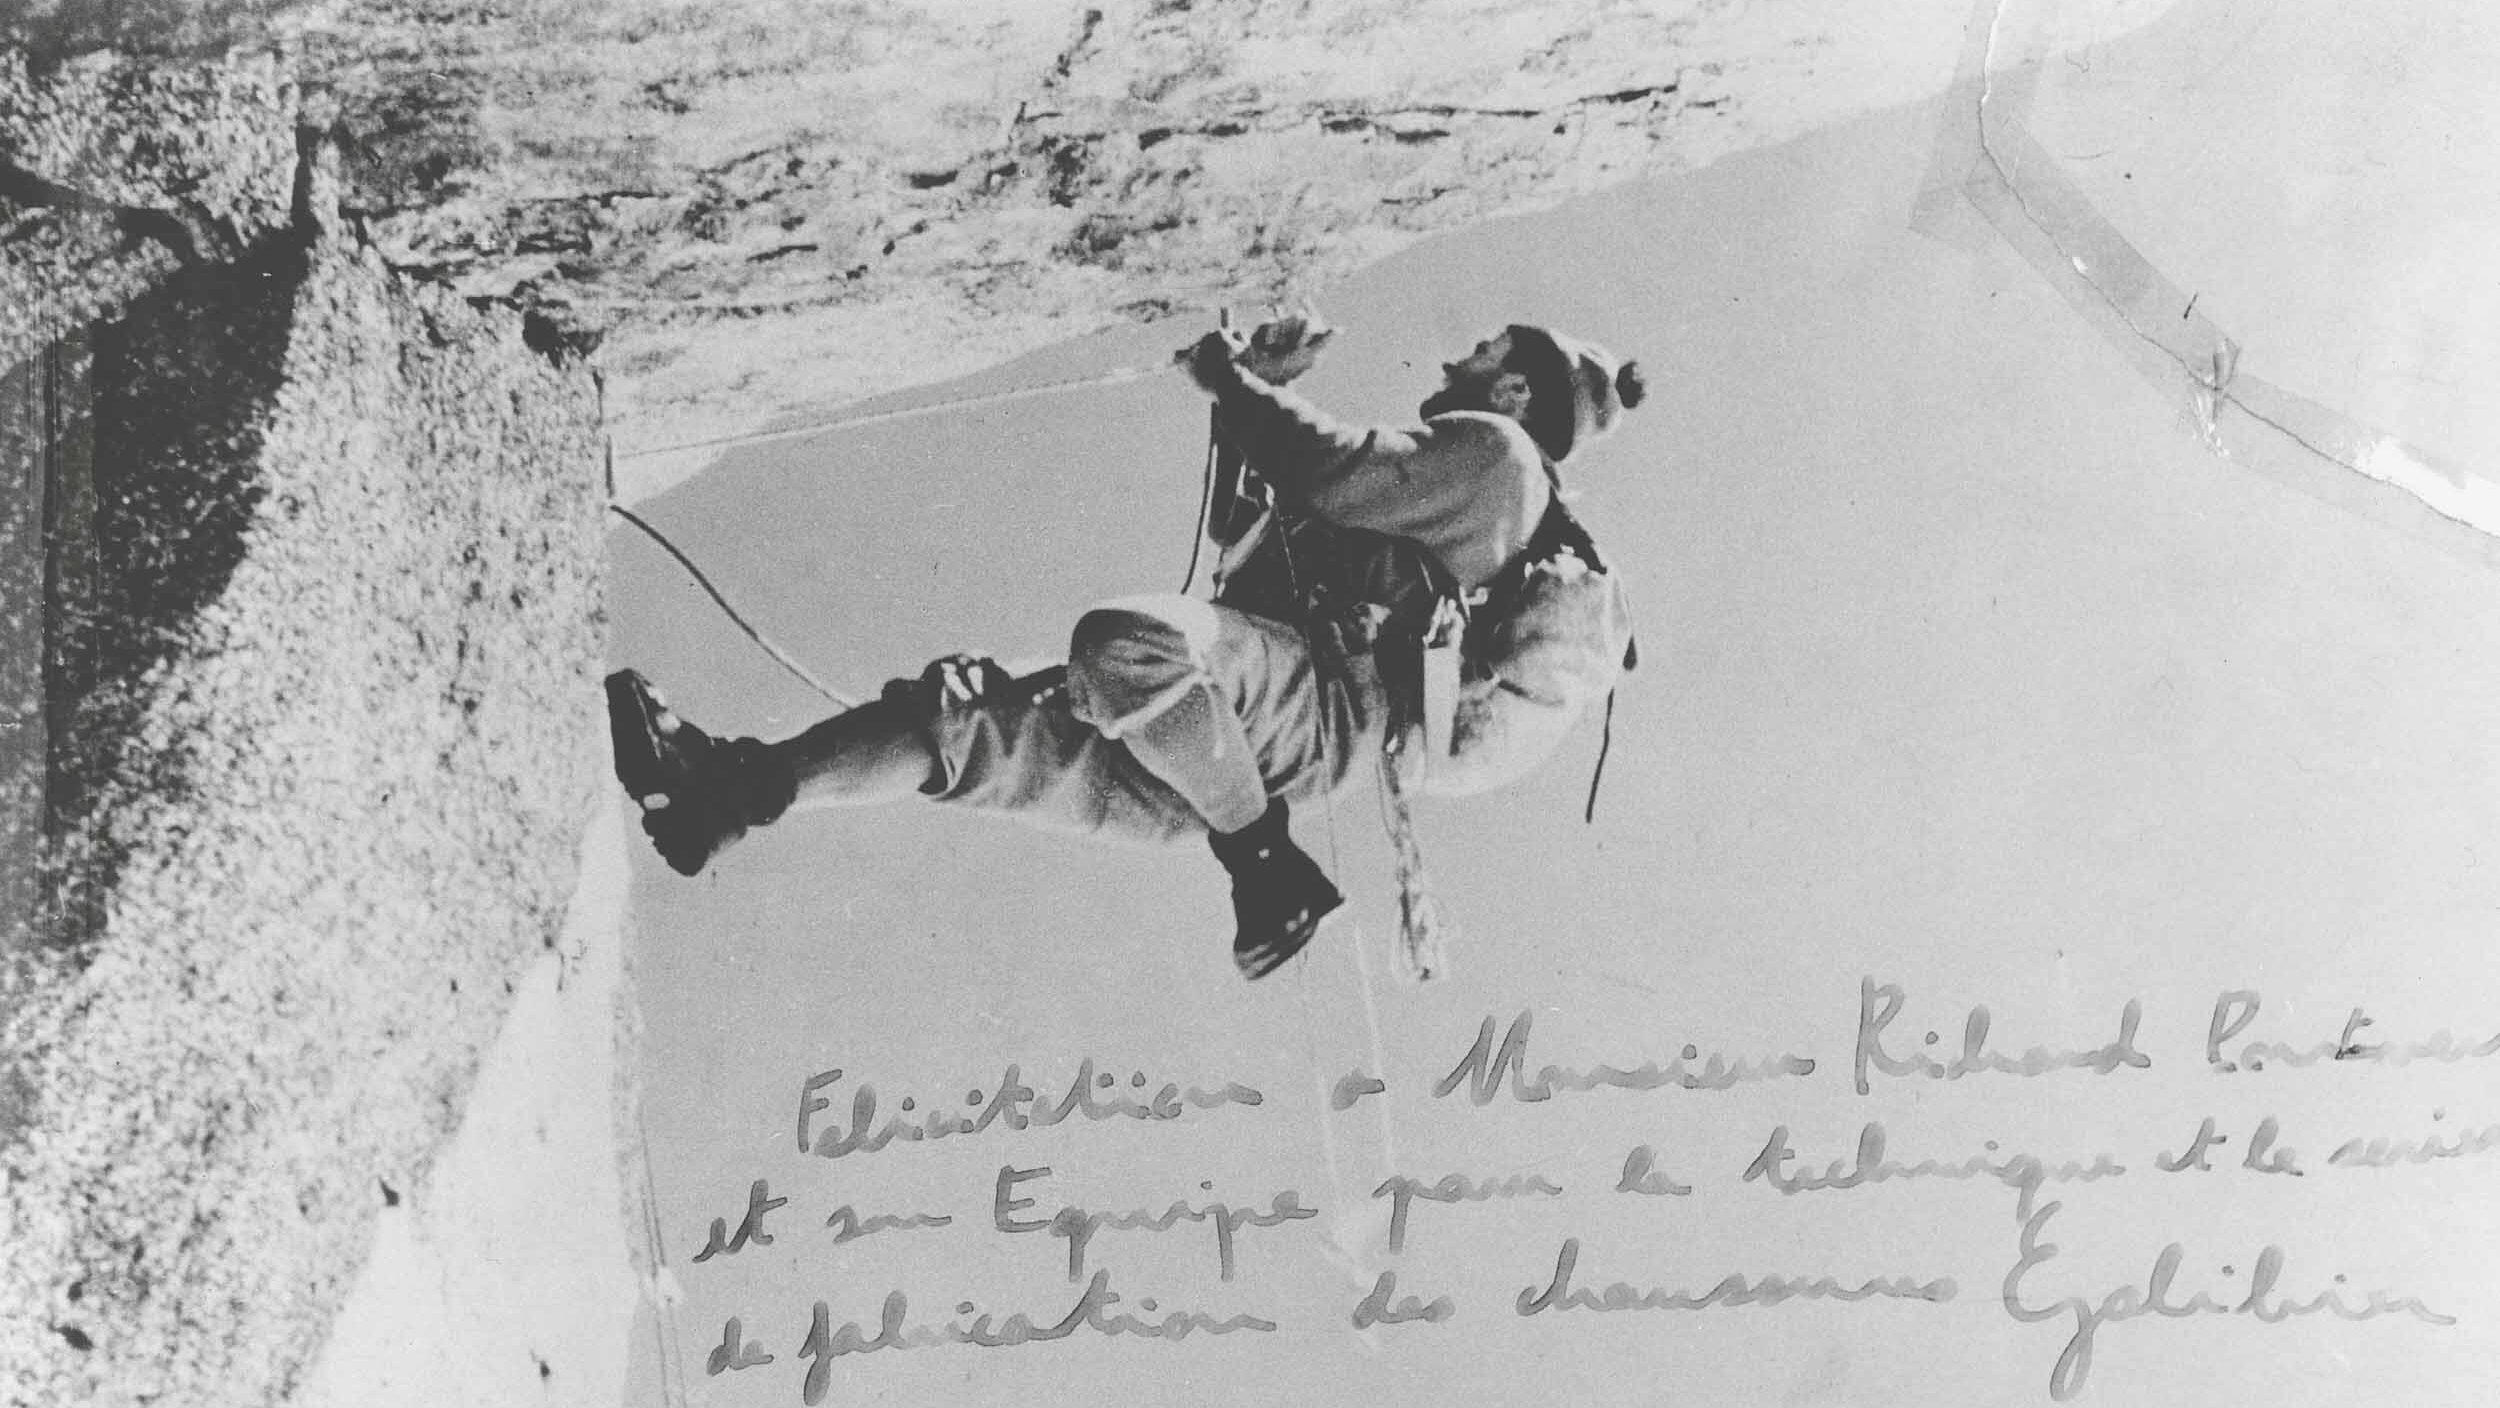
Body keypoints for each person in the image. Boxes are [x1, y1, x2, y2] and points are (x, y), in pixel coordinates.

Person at [607, 316, 1643, 978]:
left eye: (1488, 349)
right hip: (1229, 746)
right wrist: (1250, 401)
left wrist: (1235, 385)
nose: (1459, 351)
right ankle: (724, 796)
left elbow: (1329, 472)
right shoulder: (1451, 492)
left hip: (1303, 716)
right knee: (963, 722)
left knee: (1125, 641)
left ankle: (1265, 864)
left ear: (1515, 392)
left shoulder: (1499, 459)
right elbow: (1249, 549)